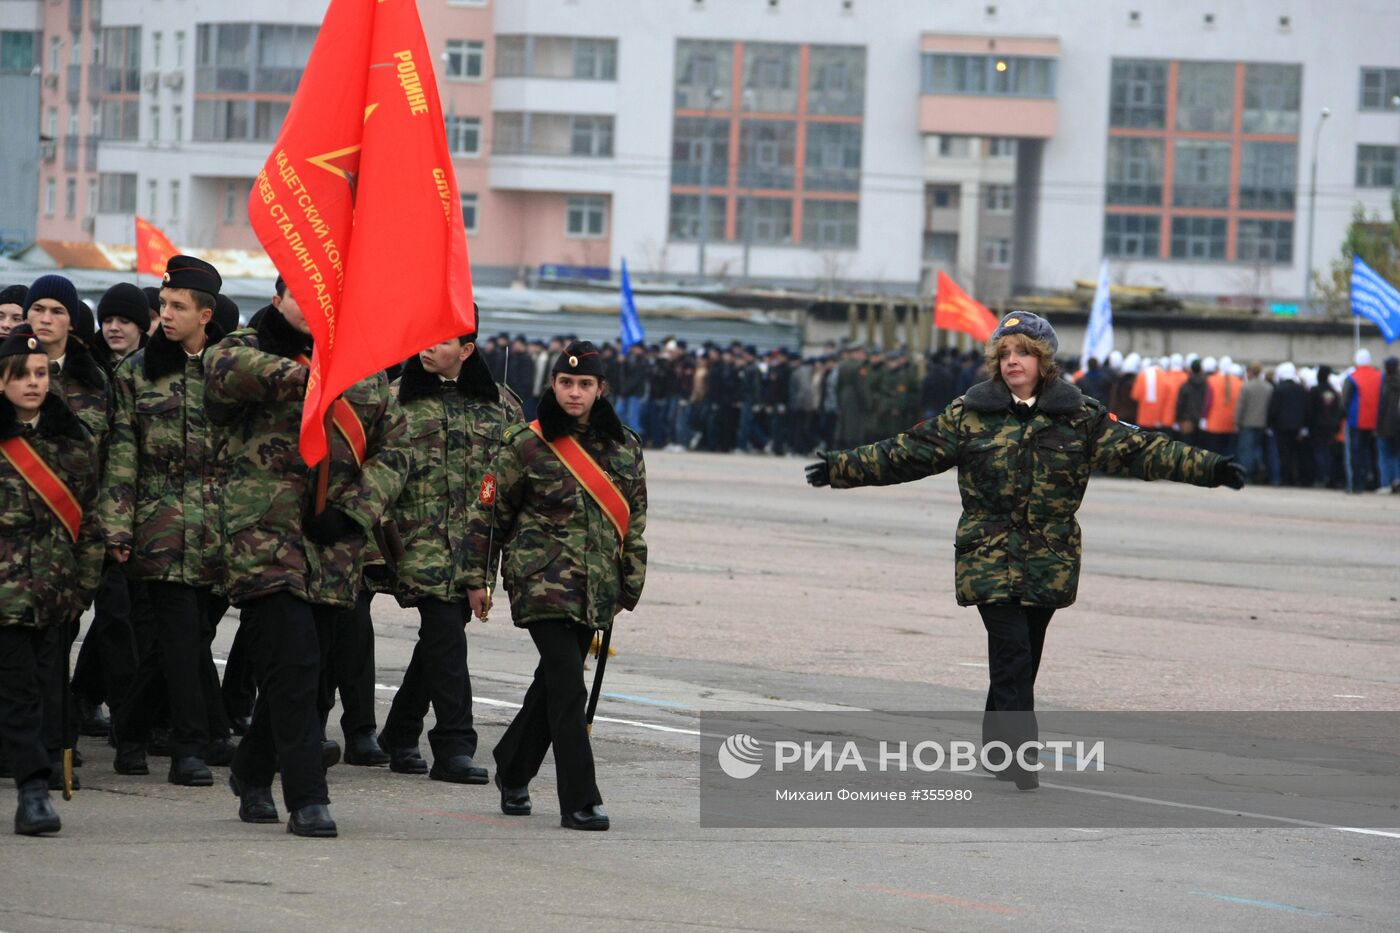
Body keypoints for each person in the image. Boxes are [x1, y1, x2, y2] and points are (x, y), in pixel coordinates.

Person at [804, 312, 1243, 790]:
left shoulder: (1080, 417)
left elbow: (1143, 450)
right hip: (987, 556)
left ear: (1044, 361)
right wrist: (840, 468)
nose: (1012, 361)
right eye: (1005, 354)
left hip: (1048, 560)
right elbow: (906, 452)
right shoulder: (969, 414)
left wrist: (1211, 468)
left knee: (1022, 658)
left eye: (1023, 353)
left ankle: (997, 749)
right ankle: (1018, 755)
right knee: (1011, 651)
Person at [204, 277, 408, 838]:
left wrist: (354, 511)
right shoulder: (247, 348)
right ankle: (308, 798)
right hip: (263, 539)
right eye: (301, 295)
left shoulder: (367, 368)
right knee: (293, 664)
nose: (313, 306)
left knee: (310, 677)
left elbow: (395, 450)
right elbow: (222, 374)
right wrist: (313, 378)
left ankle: (251, 770)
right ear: (278, 301)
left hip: (334, 545)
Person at [466, 341, 647, 831]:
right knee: (568, 687)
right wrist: (478, 578)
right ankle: (580, 800)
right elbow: (491, 516)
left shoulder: (625, 446)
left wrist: (629, 585)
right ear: (553, 384)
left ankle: (513, 767)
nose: (574, 392)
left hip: (595, 586)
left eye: (584, 384)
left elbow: (634, 522)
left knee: (552, 684)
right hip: (540, 582)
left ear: (601, 389)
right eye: (566, 383)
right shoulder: (525, 443)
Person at [99, 257, 228, 786]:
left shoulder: (229, 370)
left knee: (185, 640)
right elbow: (121, 454)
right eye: (163, 305)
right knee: (179, 635)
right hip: (161, 526)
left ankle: (130, 730)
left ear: (205, 315)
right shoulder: (137, 372)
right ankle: (188, 748)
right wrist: (116, 526)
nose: (166, 315)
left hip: (219, 531)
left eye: (178, 306)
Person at [378, 329, 523, 782]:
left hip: (474, 546)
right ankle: (454, 744)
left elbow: (514, 479)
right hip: (418, 541)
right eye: (424, 338)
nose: (428, 348)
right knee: (445, 634)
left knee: (440, 640)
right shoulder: (396, 398)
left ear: (466, 350)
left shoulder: (500, 404)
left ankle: (399, 734)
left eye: (441, 341)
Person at [0, 324, 102, 833]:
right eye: (22, 375)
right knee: (19, 693)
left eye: (40, 373)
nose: (33, 383)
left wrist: (82, 587)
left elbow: (91, 521)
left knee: (48, 691)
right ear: (3, 382)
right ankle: (33, 792)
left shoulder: (72, 440)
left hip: (57, 592)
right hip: (5, 597)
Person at [1377, 357, 1400, 493]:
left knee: (1385, 455)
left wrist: (1377, 424)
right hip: (1398, 425)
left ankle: (1386, 483)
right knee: (1396, 455)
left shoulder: (1384, 384)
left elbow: (1381, 407)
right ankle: (1397, 478)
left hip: (1385, 426)